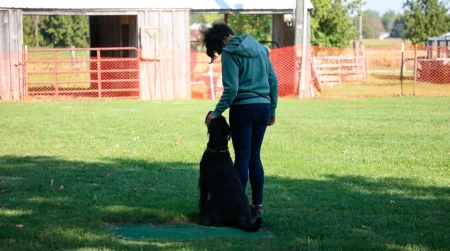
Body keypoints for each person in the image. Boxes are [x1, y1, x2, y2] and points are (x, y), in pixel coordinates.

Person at [201, 22, 278, 217]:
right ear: (230, 33)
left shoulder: (230, 53)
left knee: (242, 157)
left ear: (220, 42)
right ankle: (257, 205)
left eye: (217, 49)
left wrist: (216, 113)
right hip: (263, 107)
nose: (219, 52)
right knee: (255, 156)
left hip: (243, 109)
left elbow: (232, 90)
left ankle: (237, 206)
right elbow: (273, 81)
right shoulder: (261, 48)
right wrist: (272, 109)